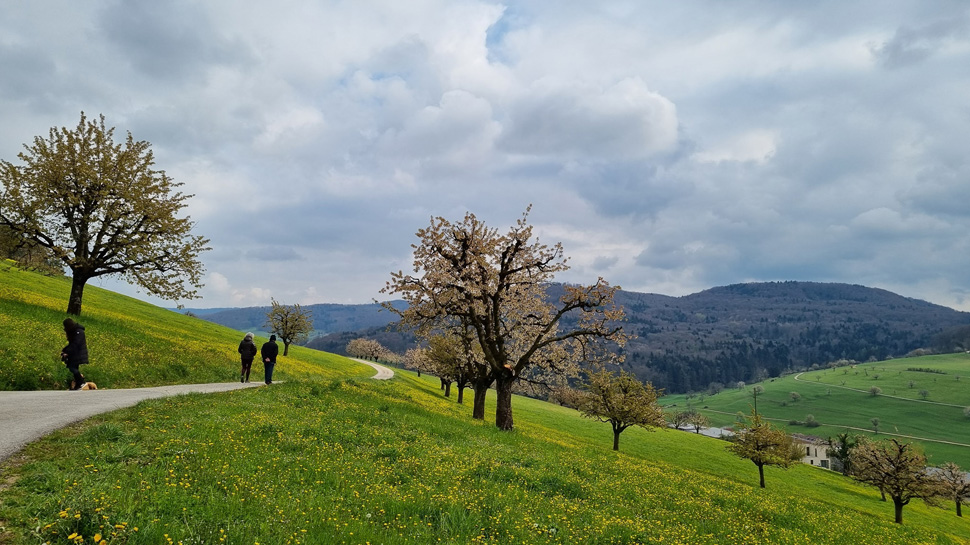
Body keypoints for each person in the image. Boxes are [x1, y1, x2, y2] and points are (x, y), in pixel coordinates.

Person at [61, 318, 89, 390]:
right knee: (74, 367)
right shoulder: (74, 331)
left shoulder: (79, 332)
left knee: (72, 367)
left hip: (79, 353)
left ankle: (81, 382)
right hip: (75, 353)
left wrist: (67, 352)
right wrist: (65, 350)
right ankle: (78, 384)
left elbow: (75, 344)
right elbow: (72, 344)